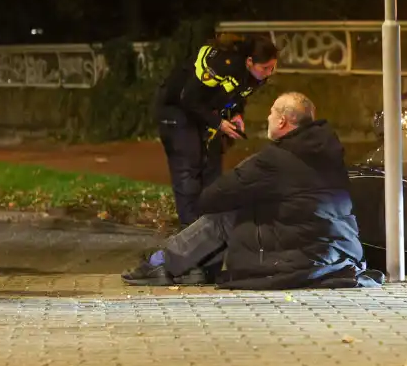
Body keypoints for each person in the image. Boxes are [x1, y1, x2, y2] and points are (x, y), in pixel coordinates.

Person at [121, 93, 381, 290]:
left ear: (282, 120)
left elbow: (213, 197)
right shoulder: (329, 153)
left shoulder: (273, 160)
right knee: (249, 212)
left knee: (226, 215)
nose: (267, 118)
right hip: (340, 250)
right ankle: (187, 266)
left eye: (270, 113)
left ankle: (161, 263)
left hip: (304, 255)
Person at [154, 33, 278, 227]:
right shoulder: (222, 65)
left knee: (212, 166)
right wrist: (218, 123)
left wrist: (236, 114)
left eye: (273, 68)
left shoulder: (253, 75)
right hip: (177, 109)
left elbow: (236, 94)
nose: (269, 73)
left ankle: (209, 227)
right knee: (189, 164)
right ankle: (189, 231)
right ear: (249, 61)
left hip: (203, 110)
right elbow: (189, 98)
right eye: (265, 68)